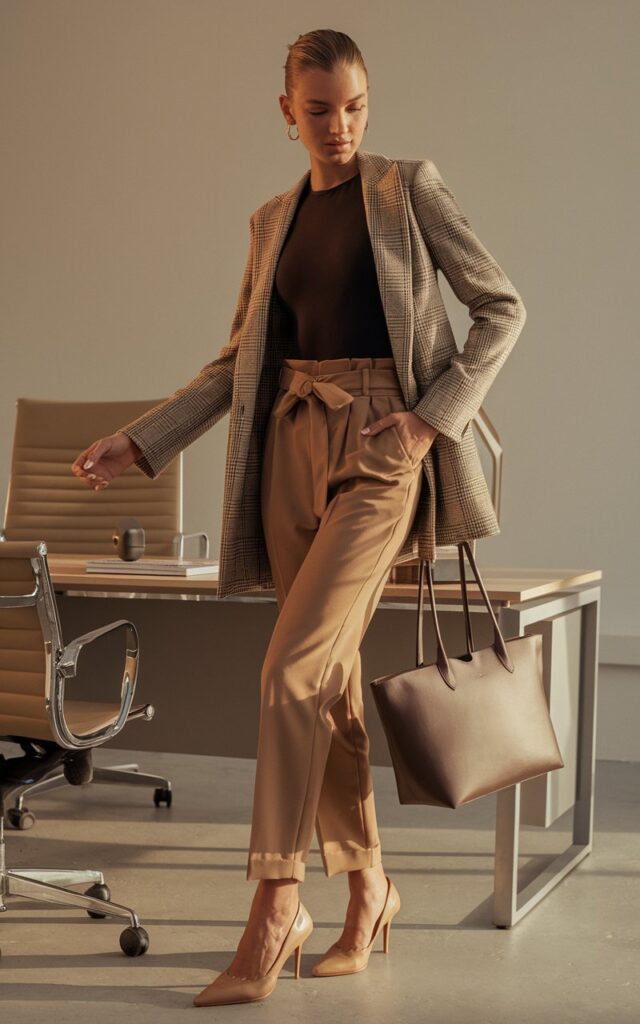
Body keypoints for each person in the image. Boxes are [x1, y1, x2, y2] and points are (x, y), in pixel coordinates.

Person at [71, 28, 526, 1008]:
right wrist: (141, 441)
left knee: (288, 669)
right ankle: (370, 892)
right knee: (326, 686)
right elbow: (235, 365)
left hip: (378, 448)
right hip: (286, 448)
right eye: (319, 108)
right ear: (286, 111)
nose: (340, 124)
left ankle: (276, 902)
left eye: (354, 105)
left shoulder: (407, 190)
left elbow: (502, 307)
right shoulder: (270, 219)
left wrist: (423, 422)